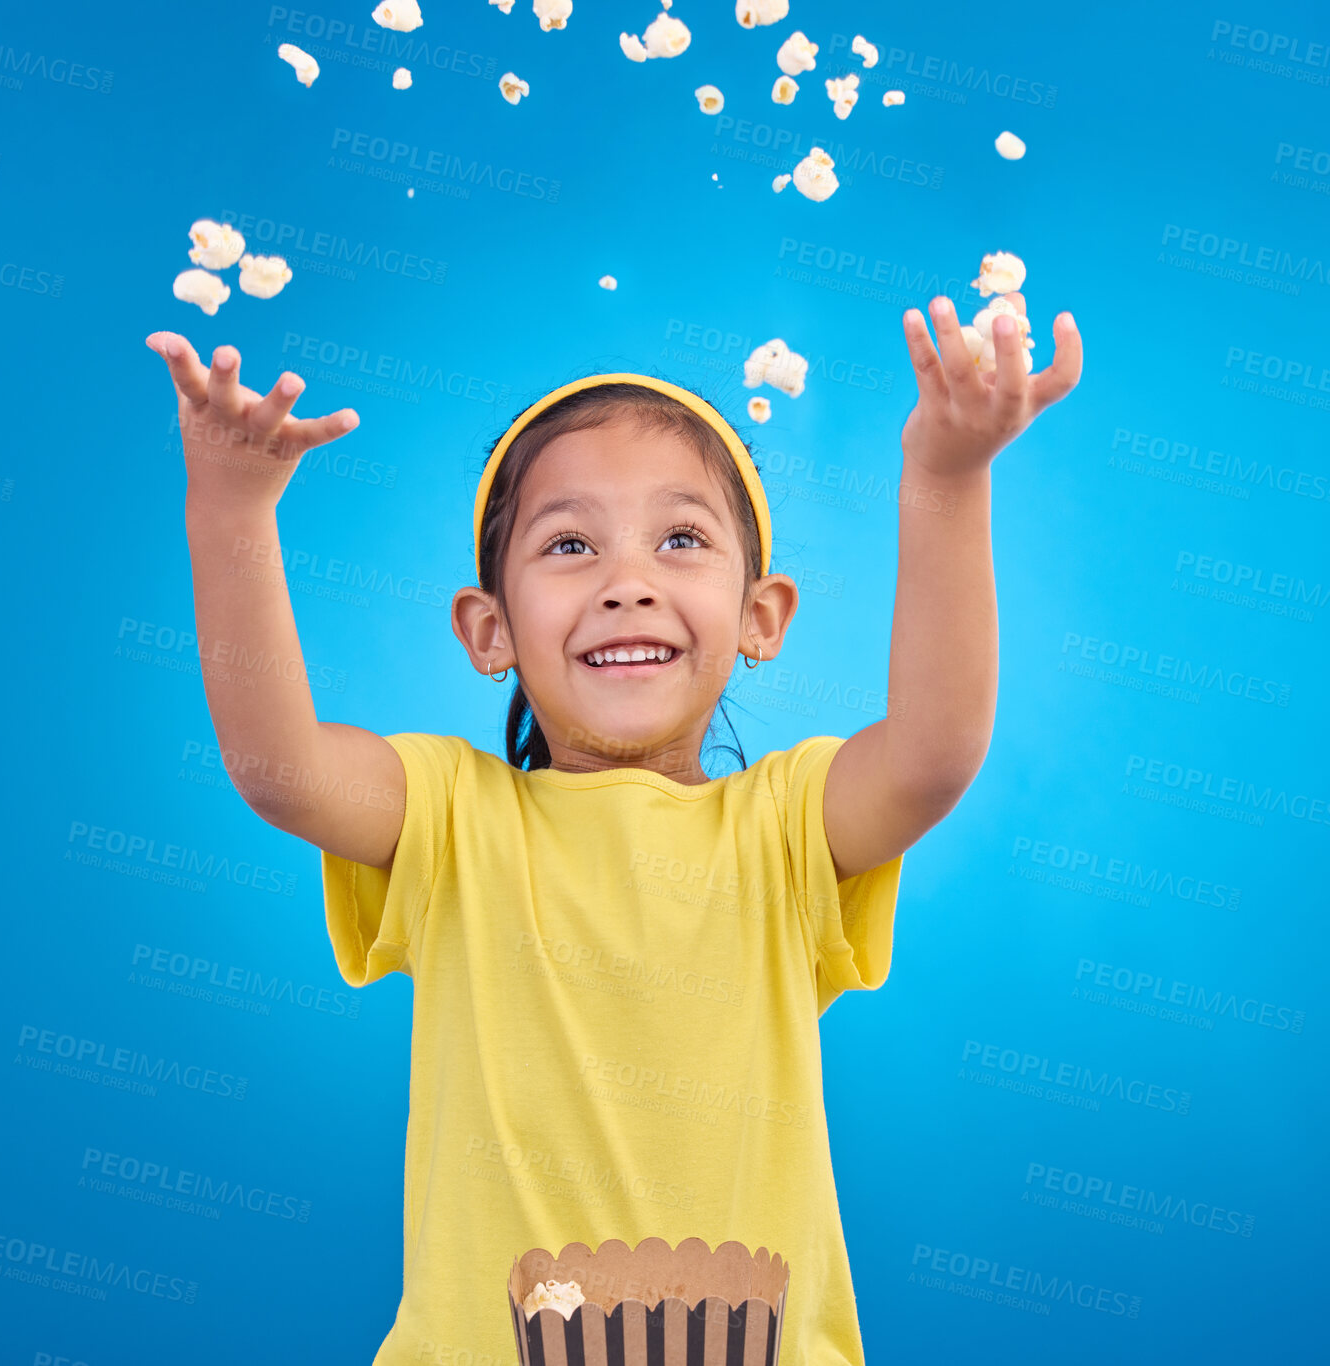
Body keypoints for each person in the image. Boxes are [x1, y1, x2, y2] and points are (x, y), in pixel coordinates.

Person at [146, 297, 1083, 1366]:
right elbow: (280, 770)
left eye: (680, 539)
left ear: (761, 617)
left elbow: (932, 753)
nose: (626, 583)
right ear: (489, 629)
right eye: (570, 544)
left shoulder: (783, 828)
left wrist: (951, 480)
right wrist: (230, 507)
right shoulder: (452, 818)